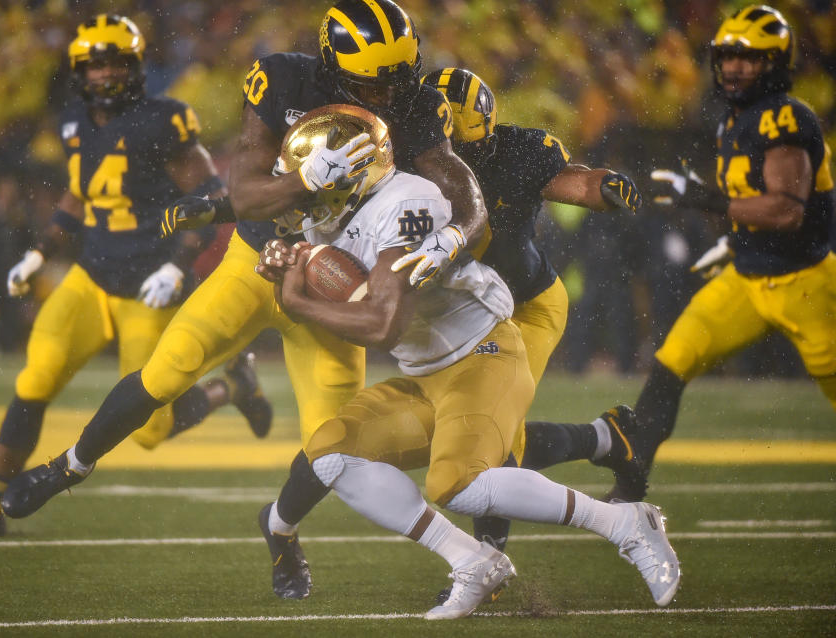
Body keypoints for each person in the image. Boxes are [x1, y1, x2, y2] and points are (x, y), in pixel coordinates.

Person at [0, 1, 484, 577]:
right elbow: (247, 195)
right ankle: (68, 468)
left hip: (331, 281)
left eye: (396, 78)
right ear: (333, 63)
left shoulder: (418, 103)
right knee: (167, 368)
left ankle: (281, 531)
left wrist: (455, 238)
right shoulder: (285, 79)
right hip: (257, 261)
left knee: (329, 445)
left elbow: (467, 196)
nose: (385, 94)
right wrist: (303, 181)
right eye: (370, 81)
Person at [261, 105, 679, 620]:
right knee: (328, 453)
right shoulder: (333, 214)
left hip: (482, 355)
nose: (300, 195)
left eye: (311, 184)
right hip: (423, 375)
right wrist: (290, 264)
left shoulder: (408, 205)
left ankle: (627, 524)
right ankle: (472, 560)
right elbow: (318, 259)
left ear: (350, 178)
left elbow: (383, 326)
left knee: (455, 483)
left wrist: (300, 298)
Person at [0, 15, 271, 538]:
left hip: (147, 286)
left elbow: (208, 199)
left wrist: (174, 265)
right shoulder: (73, 120)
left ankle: (229, 387)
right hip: (90, 278)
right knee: (34, 379)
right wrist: (38, 250)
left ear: (136, 65)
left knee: (150, 429)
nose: (105, 74)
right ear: (79, 71)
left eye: (116, 62)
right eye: (95, 64)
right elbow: (79, 195)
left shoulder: (164, 118)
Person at [577, 4, 835, 503]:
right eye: (728, 56)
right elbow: (752, 203)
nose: (734, 67)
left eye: (748, 58)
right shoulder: (733, 120)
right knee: (672, 360)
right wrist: (736, 241)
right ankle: (630, 486)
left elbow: (786, 210)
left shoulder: (786, 117)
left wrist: (703, 198)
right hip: (748, 277)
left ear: (776, 62)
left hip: (804, 283)